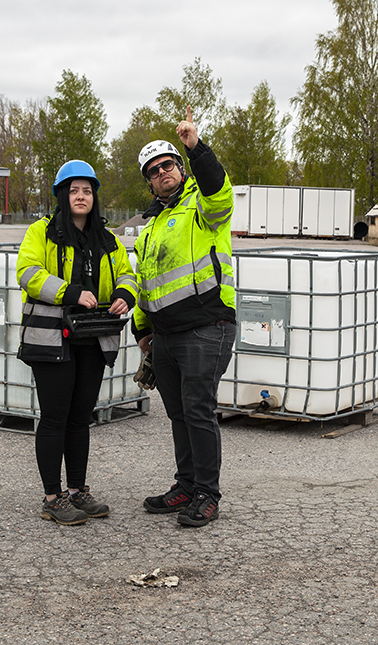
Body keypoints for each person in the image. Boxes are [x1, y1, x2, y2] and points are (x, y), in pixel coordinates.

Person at [17, 160, 138, 526]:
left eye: (87, 191)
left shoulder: (108, 239)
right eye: (74, 190)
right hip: (52, 337)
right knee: (55, 417)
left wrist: (124, 294)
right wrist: (69, 292)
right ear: (61, 195)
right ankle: (52, 497)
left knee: (80, 418)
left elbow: (128, 274)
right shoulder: (42, 232)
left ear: (94, 196)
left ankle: (77, 490)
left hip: (91, 338)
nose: (81, 196)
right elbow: (27, 272)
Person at [132, 108, 236, 527]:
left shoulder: (203, 205)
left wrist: (196, 147)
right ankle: (187, 485)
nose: (162, 173)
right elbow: (146, 282)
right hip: (166, 334)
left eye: (168, 164)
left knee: (198, 409)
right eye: (153, 171)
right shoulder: (151, 225)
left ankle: (208, 494)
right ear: (150, 181)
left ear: (180, 166)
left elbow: (218, 186)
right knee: (179, 413)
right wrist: (142, 331)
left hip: (206, 326)